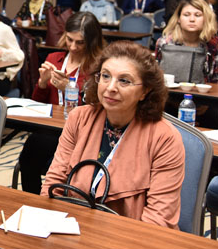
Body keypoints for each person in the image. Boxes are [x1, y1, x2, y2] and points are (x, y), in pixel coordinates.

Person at [41, 41, 185, 229]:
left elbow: (158, 220)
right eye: (105, 76)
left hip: (131, 237)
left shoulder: (164, 138)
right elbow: (53, 185)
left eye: (124, 81)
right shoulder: (79, 118)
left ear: (145, 91)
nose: (110, 87)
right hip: (73, 228)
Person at [19, 12, 105, 194]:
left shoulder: (97, 68)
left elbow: (97, 108)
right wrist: (42, 83)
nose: (73, 47)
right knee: (30, 152)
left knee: (41, 149)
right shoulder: (54, 59)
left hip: (81, 130)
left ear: (91, 42)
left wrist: (70, 90)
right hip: (51, 127)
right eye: (69, 40)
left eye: (80, 42)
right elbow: (37, 104)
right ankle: (33, 200)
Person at [156, 0, 218, 84]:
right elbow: (156, 78)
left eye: (197, 15)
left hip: (206, 91)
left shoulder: (214, 43)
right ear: (178, 19)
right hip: (171, 91)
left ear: (205, 19)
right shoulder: (165, 43)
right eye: (186, 15)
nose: (192, 19)